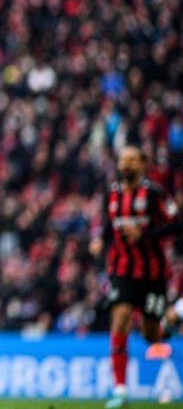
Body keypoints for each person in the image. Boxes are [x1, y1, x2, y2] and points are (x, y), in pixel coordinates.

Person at [89, 146, 181, 409]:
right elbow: (109, 225)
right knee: (120, 320)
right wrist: (99, 240)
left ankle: (169, 324)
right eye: (123, 159)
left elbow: (177, 224)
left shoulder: (154, 193)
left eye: (132, 159)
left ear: (143, 164)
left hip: (153, 273)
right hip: (121, 270)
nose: (126, 164)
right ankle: (120, 390)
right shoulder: (112, 193)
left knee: (152, 335)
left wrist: (146, 235)